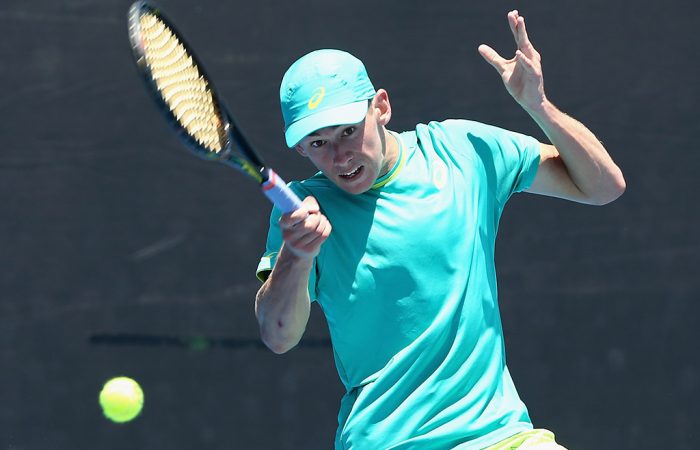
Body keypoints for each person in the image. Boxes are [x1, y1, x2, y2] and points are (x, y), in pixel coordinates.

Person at [255, 10, 625, 450]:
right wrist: (297, 256)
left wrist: (538, 106)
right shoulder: (301, 214)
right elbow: (278, 336)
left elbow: (603, 186)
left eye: (349, 131)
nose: (339, 156)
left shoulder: (460, 151)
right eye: (319, 143)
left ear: (382, 108)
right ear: (301, 148)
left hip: (499, 435)